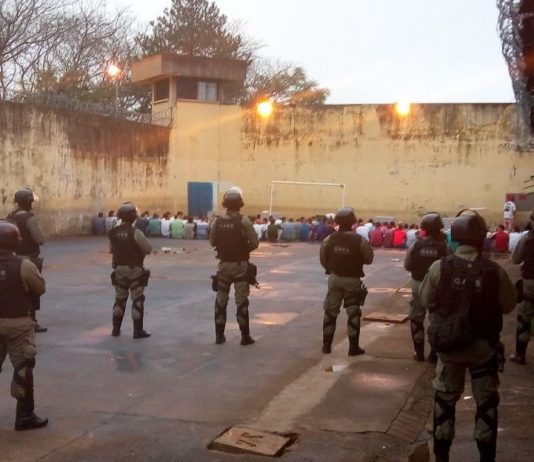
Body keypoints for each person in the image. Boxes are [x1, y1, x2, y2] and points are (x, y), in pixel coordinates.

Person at [419, 210, 516, 462]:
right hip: (483, 349)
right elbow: (508, 305)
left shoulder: (439, 267)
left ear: (456, 238)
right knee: (486, 404)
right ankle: (486, 456)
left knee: (444, 402)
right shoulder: (494, 271)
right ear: (481, 238)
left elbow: (426, 300)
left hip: (449, 348)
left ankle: (442, 456)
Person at [0, 220, 48, 430]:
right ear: (15, 241)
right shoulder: (24, 265)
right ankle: (25, 415)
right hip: (18, 323)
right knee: (23, 368)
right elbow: (39, 288)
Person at [320, 207, 374, 355]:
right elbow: (369, 259)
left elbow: (323, 259)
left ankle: (326, 346)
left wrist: (333, 268)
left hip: (334, 279)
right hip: (352, 279)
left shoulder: (329, 239)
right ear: (353, 222)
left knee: (330, 312)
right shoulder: (360, 240)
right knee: (353, 313)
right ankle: (353, 347)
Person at [210, 187, 259, 346]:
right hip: (240, 266)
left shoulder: (217, 221)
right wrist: (243, 251)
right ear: (240, 204)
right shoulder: (244, 221)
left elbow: (212, 242)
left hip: (223, 266)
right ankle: (245, 337)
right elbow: (254, 243)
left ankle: (219, 336)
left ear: (225, 204)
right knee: (241, 301)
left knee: (221, 301)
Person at [404, 213, 449, 362]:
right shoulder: (445, 248)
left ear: (424, 229)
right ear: (439, 229)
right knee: (436, 319)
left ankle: (418, 353)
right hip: (438, 287)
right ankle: (434, 354)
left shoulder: (415, 245)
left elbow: (407, 265)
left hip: (418, 284)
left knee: (416, 317)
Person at [108, 203, 152, 339]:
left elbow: (112, 250)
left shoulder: (113, 232)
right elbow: (148, 249)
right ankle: (137, 331)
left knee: (120, 299)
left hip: (118, 270)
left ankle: (116, 329)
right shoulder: (135, 232)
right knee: (137, 299)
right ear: (133, 217)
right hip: (134, 270)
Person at [7, 188, 47, 333]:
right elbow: (40, 239)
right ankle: (32, 321)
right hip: (28, 259)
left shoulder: (10, 217)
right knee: (33, 290)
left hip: (11, 259)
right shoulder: (30, 219)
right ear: (29, 203)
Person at [509, 210, 534, 364]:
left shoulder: (527, 238)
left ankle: (520, 355)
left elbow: (516, 259)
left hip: (531, 283)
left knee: (524, 318)